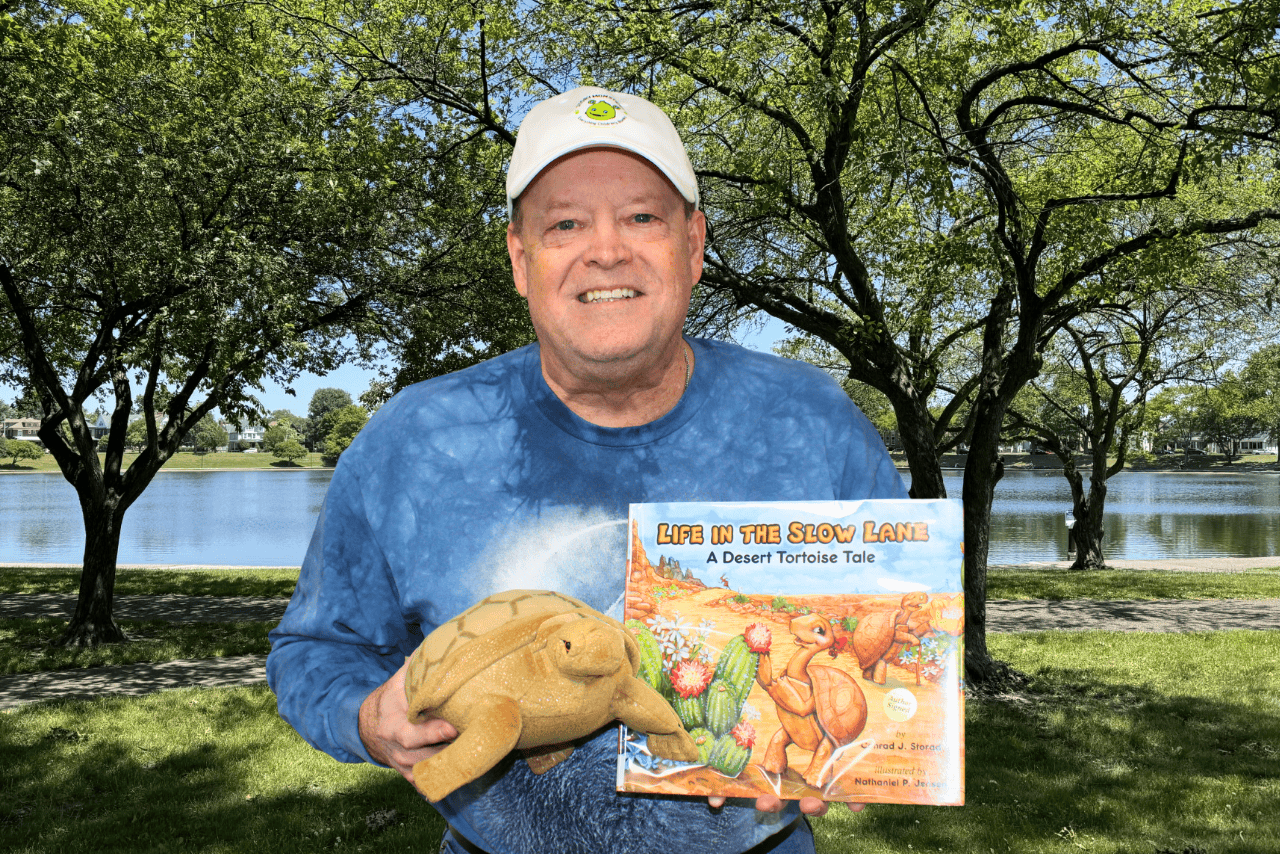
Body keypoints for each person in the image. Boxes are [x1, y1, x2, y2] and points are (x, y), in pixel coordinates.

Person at [266, 86, 907, 854]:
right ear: (520, 259)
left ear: (694, 245)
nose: (606, 250)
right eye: (565, 224)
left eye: (642, 217)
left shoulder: (812, 420)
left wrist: (883, 739)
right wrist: (365, 720)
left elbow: (896, 636)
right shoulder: (417, 437)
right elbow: (314, 650)